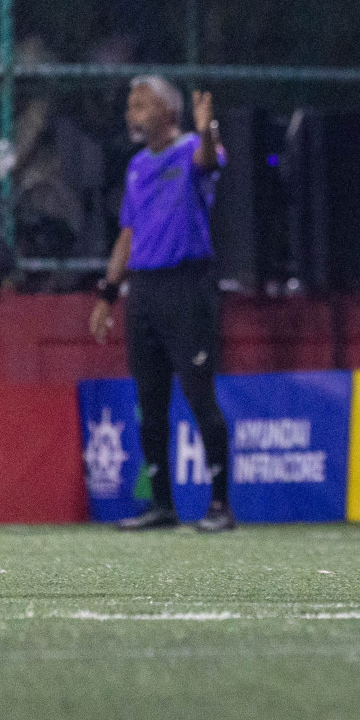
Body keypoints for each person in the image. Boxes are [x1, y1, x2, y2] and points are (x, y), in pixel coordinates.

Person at [89, 76, 234, 533]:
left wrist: (208, 130)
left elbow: (208, 162)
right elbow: (127, 236)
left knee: (198, 396)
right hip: (145, 293)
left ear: (168, 111)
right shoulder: (136, 168)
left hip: (186, 288)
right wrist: (108, 295)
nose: (133, 111)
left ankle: (219, 506)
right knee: (149, 404)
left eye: (142, 103)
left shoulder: (191, 148)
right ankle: (162, 505)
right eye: (130, 104)